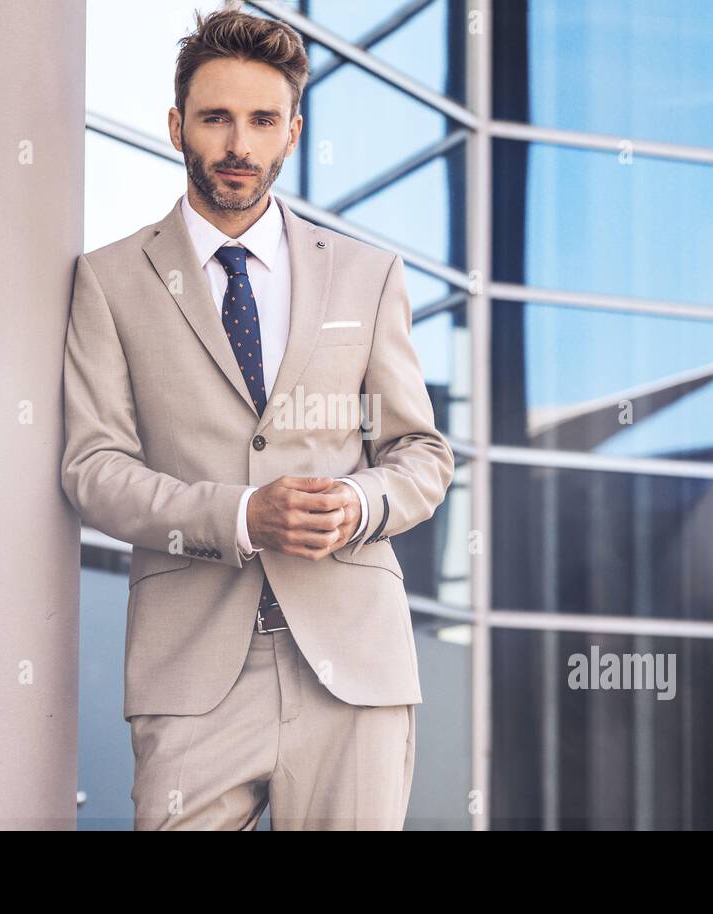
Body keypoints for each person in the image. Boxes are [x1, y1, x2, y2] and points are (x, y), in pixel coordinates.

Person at [60, 4, 454, 830]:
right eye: (217, 118)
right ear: (176, 126)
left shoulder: (367, 275)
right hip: (194, 672)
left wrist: (358, 505)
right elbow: (94, 470)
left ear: (293, 133)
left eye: (262, 120)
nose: (240, 144)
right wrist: (242, 514)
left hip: (354, 664)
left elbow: (419, 452)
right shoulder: (108, 281)